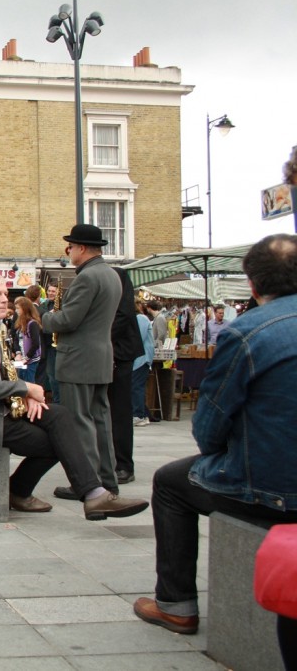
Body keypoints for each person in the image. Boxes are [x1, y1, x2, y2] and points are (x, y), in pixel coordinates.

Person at [133, 234, 297, 636]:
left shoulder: (246, 332)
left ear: (253, 285)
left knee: (170, 483)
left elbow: (209, 427)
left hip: (270, 489)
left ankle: (176, 604)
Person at [0, 275, 149, 520]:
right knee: (59, 440)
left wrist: (27, 397)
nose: (5, 300)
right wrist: (26, 389)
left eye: (5, 294)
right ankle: (25, 491)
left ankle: (93, 493)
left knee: (63, 417)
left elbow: (1, 376)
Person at [42, 224, 122, 498]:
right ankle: (108, 480)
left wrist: (43, 318)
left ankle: (89, 485)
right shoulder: (111, 275)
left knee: (80, 423)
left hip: (78, 360)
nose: (69, 252)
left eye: (70, 248)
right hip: (99, 358)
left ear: (82, 248)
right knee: (100, 420)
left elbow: (67, 320)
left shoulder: (87, 278)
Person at [108, 268, 144, 486]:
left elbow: (123, 315)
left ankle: (123, 465)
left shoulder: (117, 275)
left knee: (119, 410)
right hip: (107, 350)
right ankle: (110, 461)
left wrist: (96, 336)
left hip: (120, 352)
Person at [131, 301, 155, 430]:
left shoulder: (140, 319)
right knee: (136, 386)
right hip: (138, 359)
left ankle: (138, 415)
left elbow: (137, 337)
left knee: (136, 387)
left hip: (141, 359)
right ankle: (141, 413)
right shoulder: (139, 319)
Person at [12, 296, 42, 384]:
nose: (16, 311)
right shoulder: (20, 322)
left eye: (18, 308)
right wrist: (18, 353)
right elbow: (16, 339)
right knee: (21, 381)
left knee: (29, 383)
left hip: (31, 360)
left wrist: (27, 358)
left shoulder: (32, 324)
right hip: (22, 359)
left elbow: (36, 343)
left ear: (24, 309)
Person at [41, 281, 61, 403]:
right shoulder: (45, 305)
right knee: (50, 375)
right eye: (49, 291)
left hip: (59, 345)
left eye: (53, 291)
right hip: (48, 344)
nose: (50, 293)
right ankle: (54, 400)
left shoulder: (63, 305)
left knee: (56, 376)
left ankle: (58, 401)